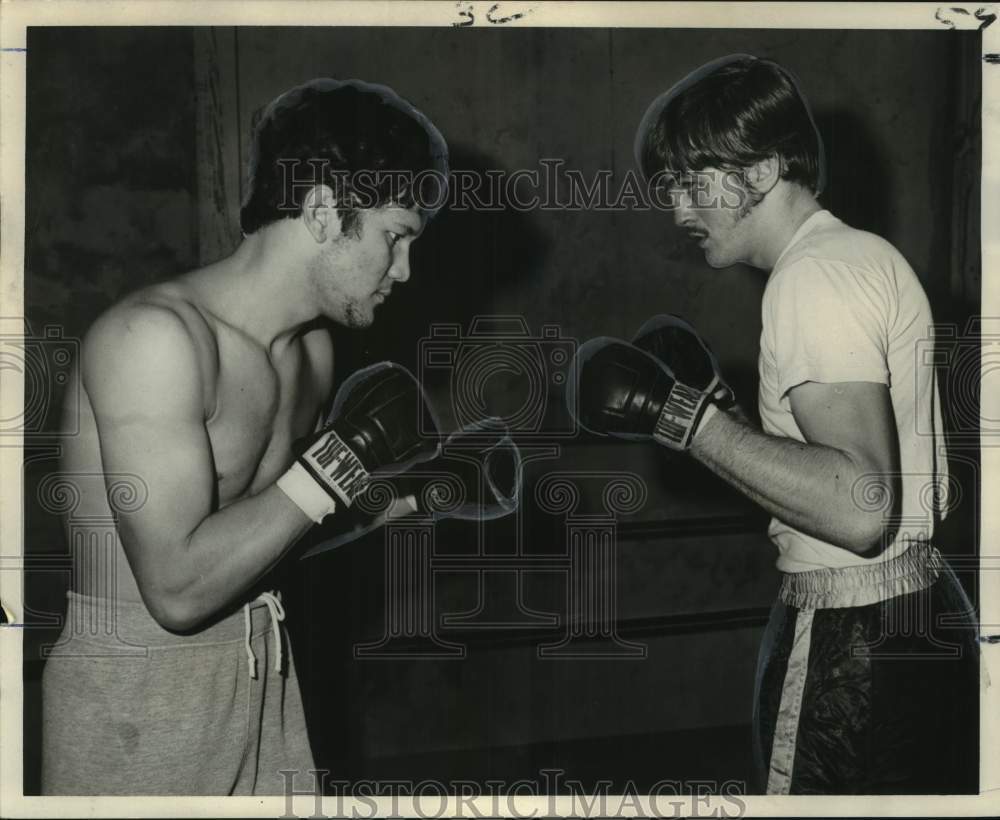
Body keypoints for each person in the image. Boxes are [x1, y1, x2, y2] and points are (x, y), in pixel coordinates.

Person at [571, 55, 979, 794]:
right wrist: (727, 420)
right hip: (918, 609)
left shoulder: (808, 280)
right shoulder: (860, 256)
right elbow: (883, 478)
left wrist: (684, 417)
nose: (679, 212)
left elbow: (859, 506)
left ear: (758, 172)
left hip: (851, 633)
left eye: (693, 184)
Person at [41, 78, 451, 796]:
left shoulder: (311, 356)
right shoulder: (155, 341)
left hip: (263, 678)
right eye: (396, 237)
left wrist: (406, 499)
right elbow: (175, 591)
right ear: (325, 210)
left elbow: (278, 531)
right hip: (134, 705)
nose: (404, 271)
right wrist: (337, 464)